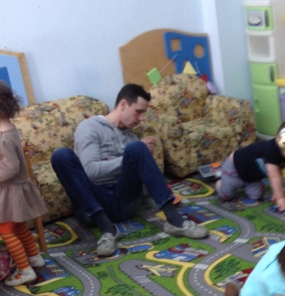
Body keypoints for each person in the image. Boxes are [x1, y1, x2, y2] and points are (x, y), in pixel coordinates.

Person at [51, 83, 208, 257]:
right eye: (138, 112)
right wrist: (124, 161)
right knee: (60, 156)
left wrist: (131, 158)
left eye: (143, 113)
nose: (141, 119)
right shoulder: (89, 127)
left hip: (124, 202)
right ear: (123, 104)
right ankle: (107, 229)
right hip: (94, 205)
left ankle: (174, 219)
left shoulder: (132, 139)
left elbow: (142, 185)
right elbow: (92, 172)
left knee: (136, 147)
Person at [0, 80, 47, 286]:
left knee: (6, 231)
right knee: (19, 226)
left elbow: (11, 168)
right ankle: (34, 257)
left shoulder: (2, 139)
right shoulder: (9, 130)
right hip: (16, 189)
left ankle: (25, 270)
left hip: (10, 192)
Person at [215, 119, 285, 211]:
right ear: (282, 141)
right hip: (234, 169)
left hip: (251, 177)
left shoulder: (282, 154)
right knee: (226, 195)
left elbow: (279, 173)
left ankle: (244, 185)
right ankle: (219, 181)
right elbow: (274, 176)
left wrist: (276, 192)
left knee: (257, 196)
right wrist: (281, 198)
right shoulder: (271, 151)